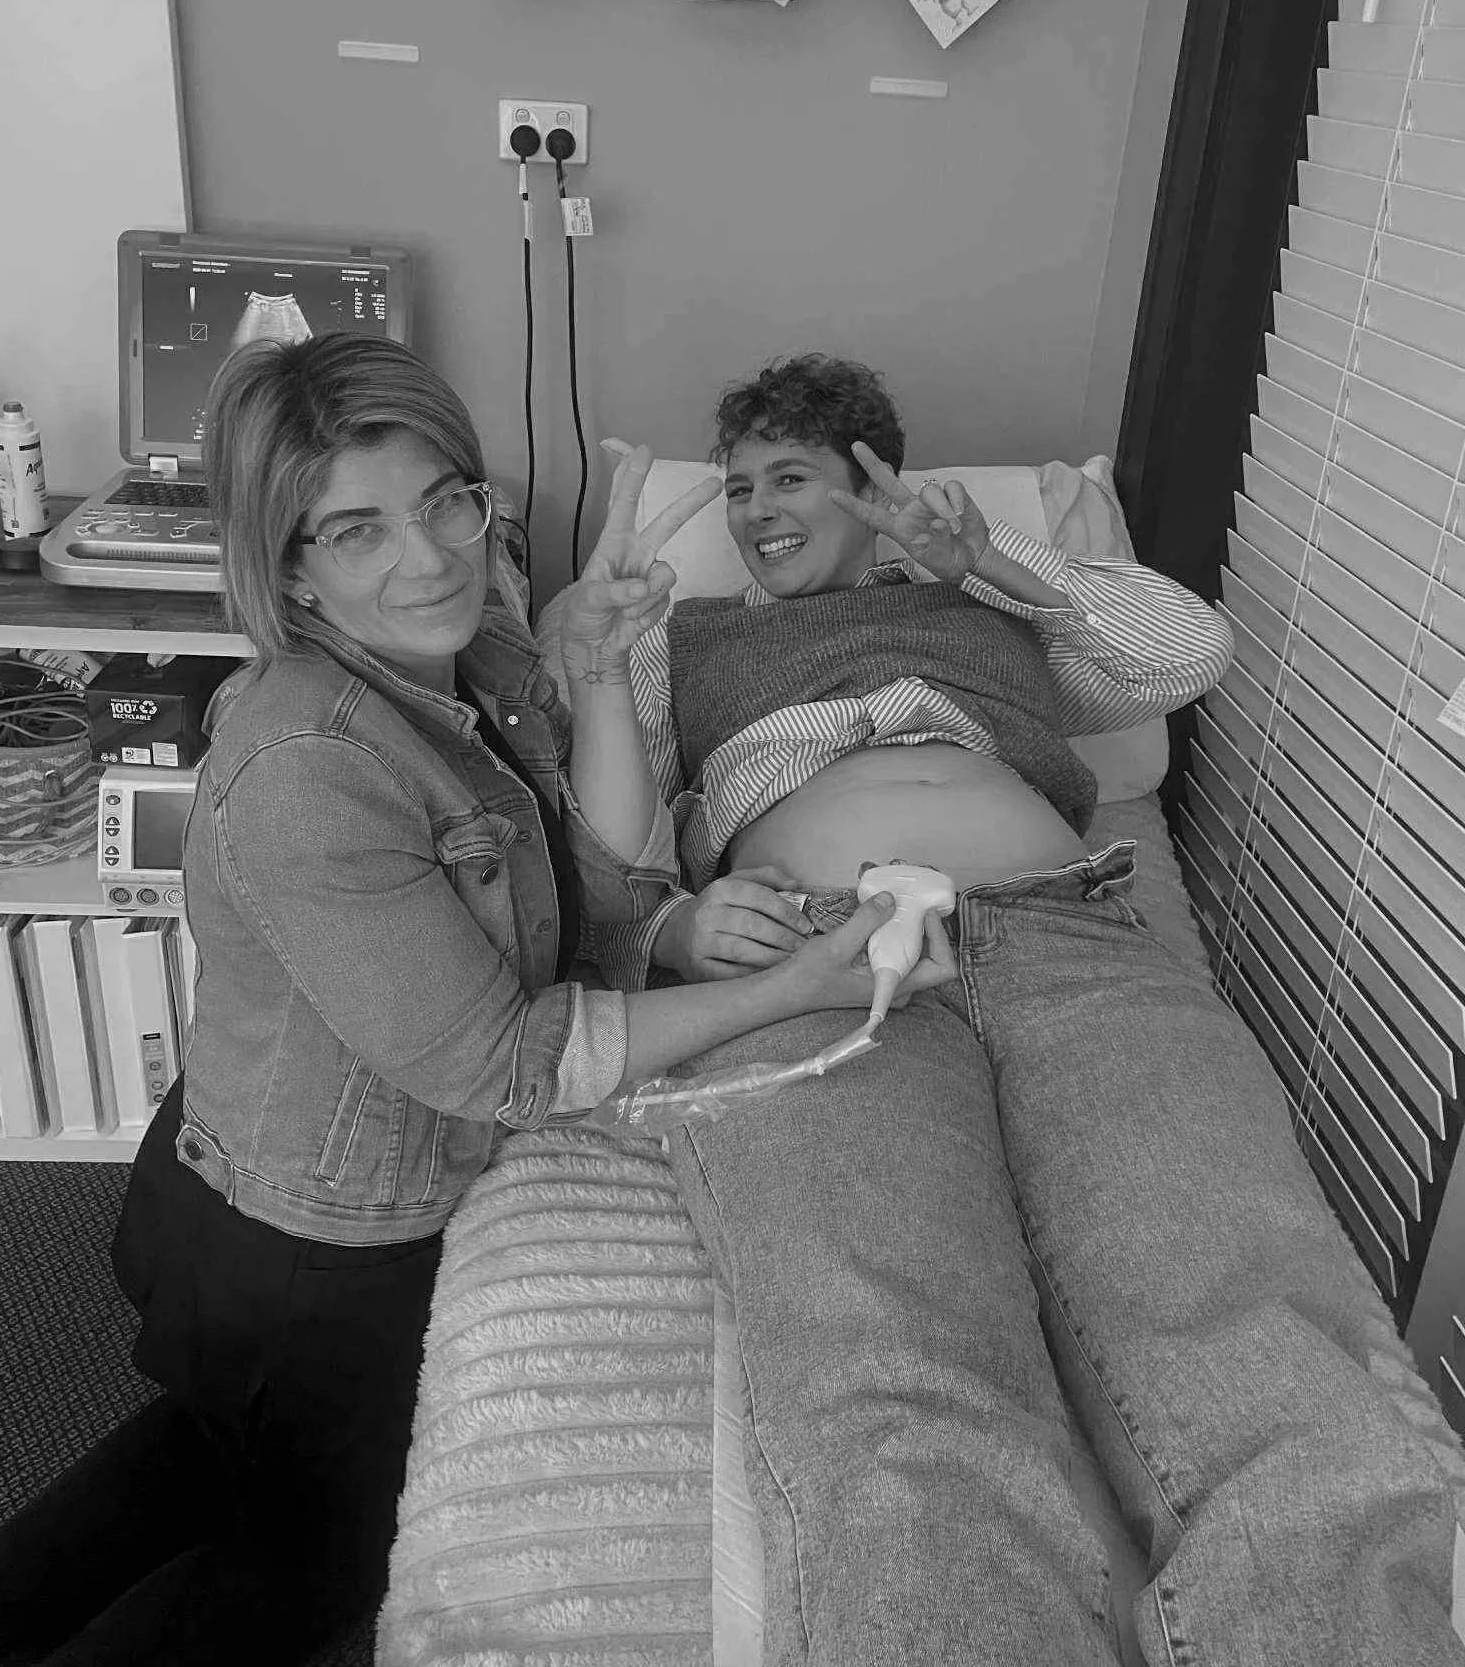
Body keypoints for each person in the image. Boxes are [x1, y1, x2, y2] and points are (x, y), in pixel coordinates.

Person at [0, 335, 909, 1667]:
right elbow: (504, 1065)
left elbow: (588, 882)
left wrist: (617, 720)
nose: (433, 555)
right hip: (303, 1250)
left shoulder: (478, 655)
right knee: (299, 1578)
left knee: (209, 1461)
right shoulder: (308, 767)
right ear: (287, 566)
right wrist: (795, 987)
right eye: (359, 529)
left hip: (262, 1206)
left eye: (446, 499)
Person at [603, 353, 1465, 1667]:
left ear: (874, 488)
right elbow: (609, 858)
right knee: (896, 1373)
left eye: (790, 478)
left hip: (1072, 931)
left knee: (1256, 1326)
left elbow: (1192, 654)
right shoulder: (693, 638)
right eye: (733, 488)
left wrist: (995, 556)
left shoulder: (993, 610)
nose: (753, 512)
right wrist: (665, 912)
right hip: (820, 956)